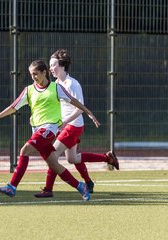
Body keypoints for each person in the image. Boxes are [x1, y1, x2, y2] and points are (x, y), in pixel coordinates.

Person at [0, 59, 100, 201]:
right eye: (31, 74)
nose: (33, 77)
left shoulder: (56, 88)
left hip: (49, 130)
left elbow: (75, 101)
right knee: (53, 164)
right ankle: (80, 186)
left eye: (36, 74)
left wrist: (90, 113)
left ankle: (12, 187)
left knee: (24, 151)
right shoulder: (29, 90)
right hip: (37, 131)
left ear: (44, 73)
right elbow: (13, 106)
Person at [34, 49, 119, 198]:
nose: (50, 68)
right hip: (65, 126)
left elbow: (79, 109)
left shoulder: (73, 84)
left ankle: (48, 189)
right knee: (72, 158)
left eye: (53, 65)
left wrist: (65, 121)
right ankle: (105, 160)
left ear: (62, 66)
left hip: (73, 126)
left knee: (52, 155)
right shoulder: (56, 84)